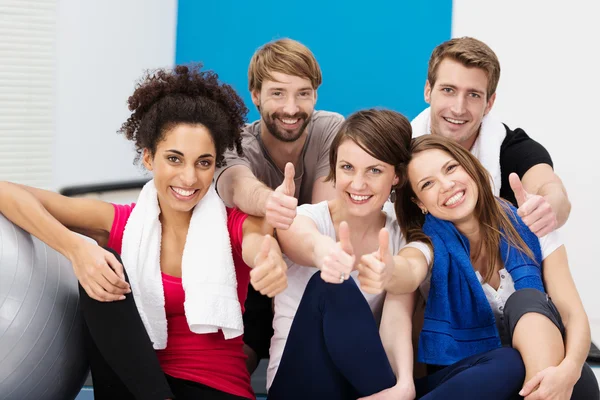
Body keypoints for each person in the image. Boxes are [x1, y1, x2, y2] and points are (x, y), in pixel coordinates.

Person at [0, 65, 288, 400]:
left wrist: (269, 261)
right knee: (104, 263)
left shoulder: (233, 224)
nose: (189, 178)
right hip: (135, 386)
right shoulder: (119, 222)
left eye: (203, 162)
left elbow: (257, 242)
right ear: (149, 158)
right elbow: (6, 192)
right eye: (175, 159)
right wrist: (76, 249)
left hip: (214, 387)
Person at [394, 135, 598, 399]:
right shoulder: (428, 246)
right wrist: (388, 271)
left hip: (534, 372)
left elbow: (572, 315)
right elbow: (409, 268)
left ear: (469, 166)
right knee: (509, 363)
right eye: (428, 184)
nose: (446, 185)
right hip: (476, 378)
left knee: (582, 380)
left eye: (451, 168)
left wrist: (568, 371)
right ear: (420, 203)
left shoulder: (532, 222)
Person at [267, 109, 433, 399]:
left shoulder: (401, 236)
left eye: (375, 170)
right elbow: (300, 237)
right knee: (329, 284)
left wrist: (405, 385)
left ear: (396, 176)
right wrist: (326, 253)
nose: (358, 183)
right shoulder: (307, 218)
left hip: (361, 387)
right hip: (297, 384)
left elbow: (399, 313)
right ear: (333, 167)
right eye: (347, 167)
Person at [214, 38, 344, 371]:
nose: (290, 108)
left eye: (303, 93)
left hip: (313, 268)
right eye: (277, 93)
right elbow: (236, 184)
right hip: (253, 275)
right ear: (255, 95)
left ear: (315, 94)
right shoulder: (234, 140)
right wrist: (269, 202)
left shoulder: (331, 129)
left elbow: (325, 219)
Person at [411, 36, 570, 238]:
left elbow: (552, 190)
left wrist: (547, 208)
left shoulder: (514, 149)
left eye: (473, 95)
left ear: (489, 103)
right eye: (448, 90)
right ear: (428, 91)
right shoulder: (397, 150)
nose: (458, 108)